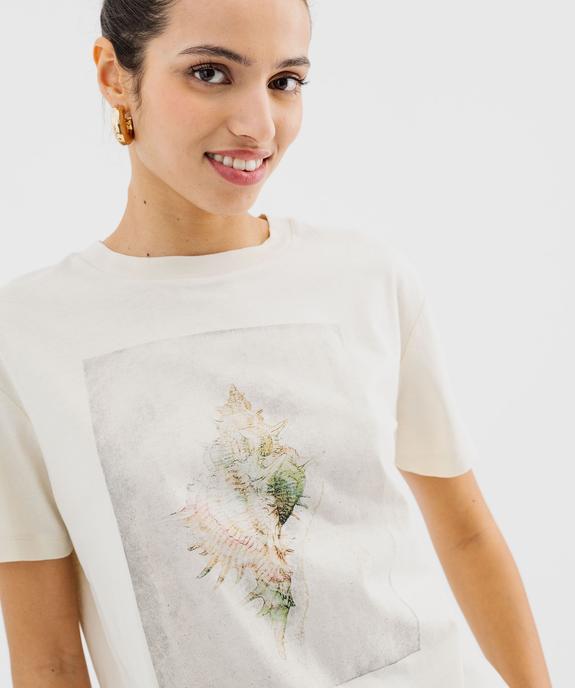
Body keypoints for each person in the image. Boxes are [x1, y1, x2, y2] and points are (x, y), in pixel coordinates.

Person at [0, 1, 552, 686]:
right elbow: (49, 658)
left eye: (284, 82)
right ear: (115, 76)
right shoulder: (28, 333)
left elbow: (465, 533)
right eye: (210, 73)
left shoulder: (363, 279)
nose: (259, 126)